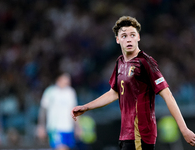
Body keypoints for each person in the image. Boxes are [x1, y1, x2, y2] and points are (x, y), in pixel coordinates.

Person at [71, 16, 195, 150]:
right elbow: (114, 93)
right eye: (124, 35)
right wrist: (86, 107)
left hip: (141, 133)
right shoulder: (120, 63)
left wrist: (184, 129)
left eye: (132, 35)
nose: (129, 39)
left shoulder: (145, 62)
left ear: (138, 37)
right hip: (126, 134)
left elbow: (168, 95)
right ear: (117, 40)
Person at [37, 72, 78, 150]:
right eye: (66, 78)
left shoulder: (71, 92)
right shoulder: (50, 91)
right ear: (59, 79)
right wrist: (41, 126)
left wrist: (77, 126)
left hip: (68, 127)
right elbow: (43, 110)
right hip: (55, 127)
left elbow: (75, 111)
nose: (68, 81)